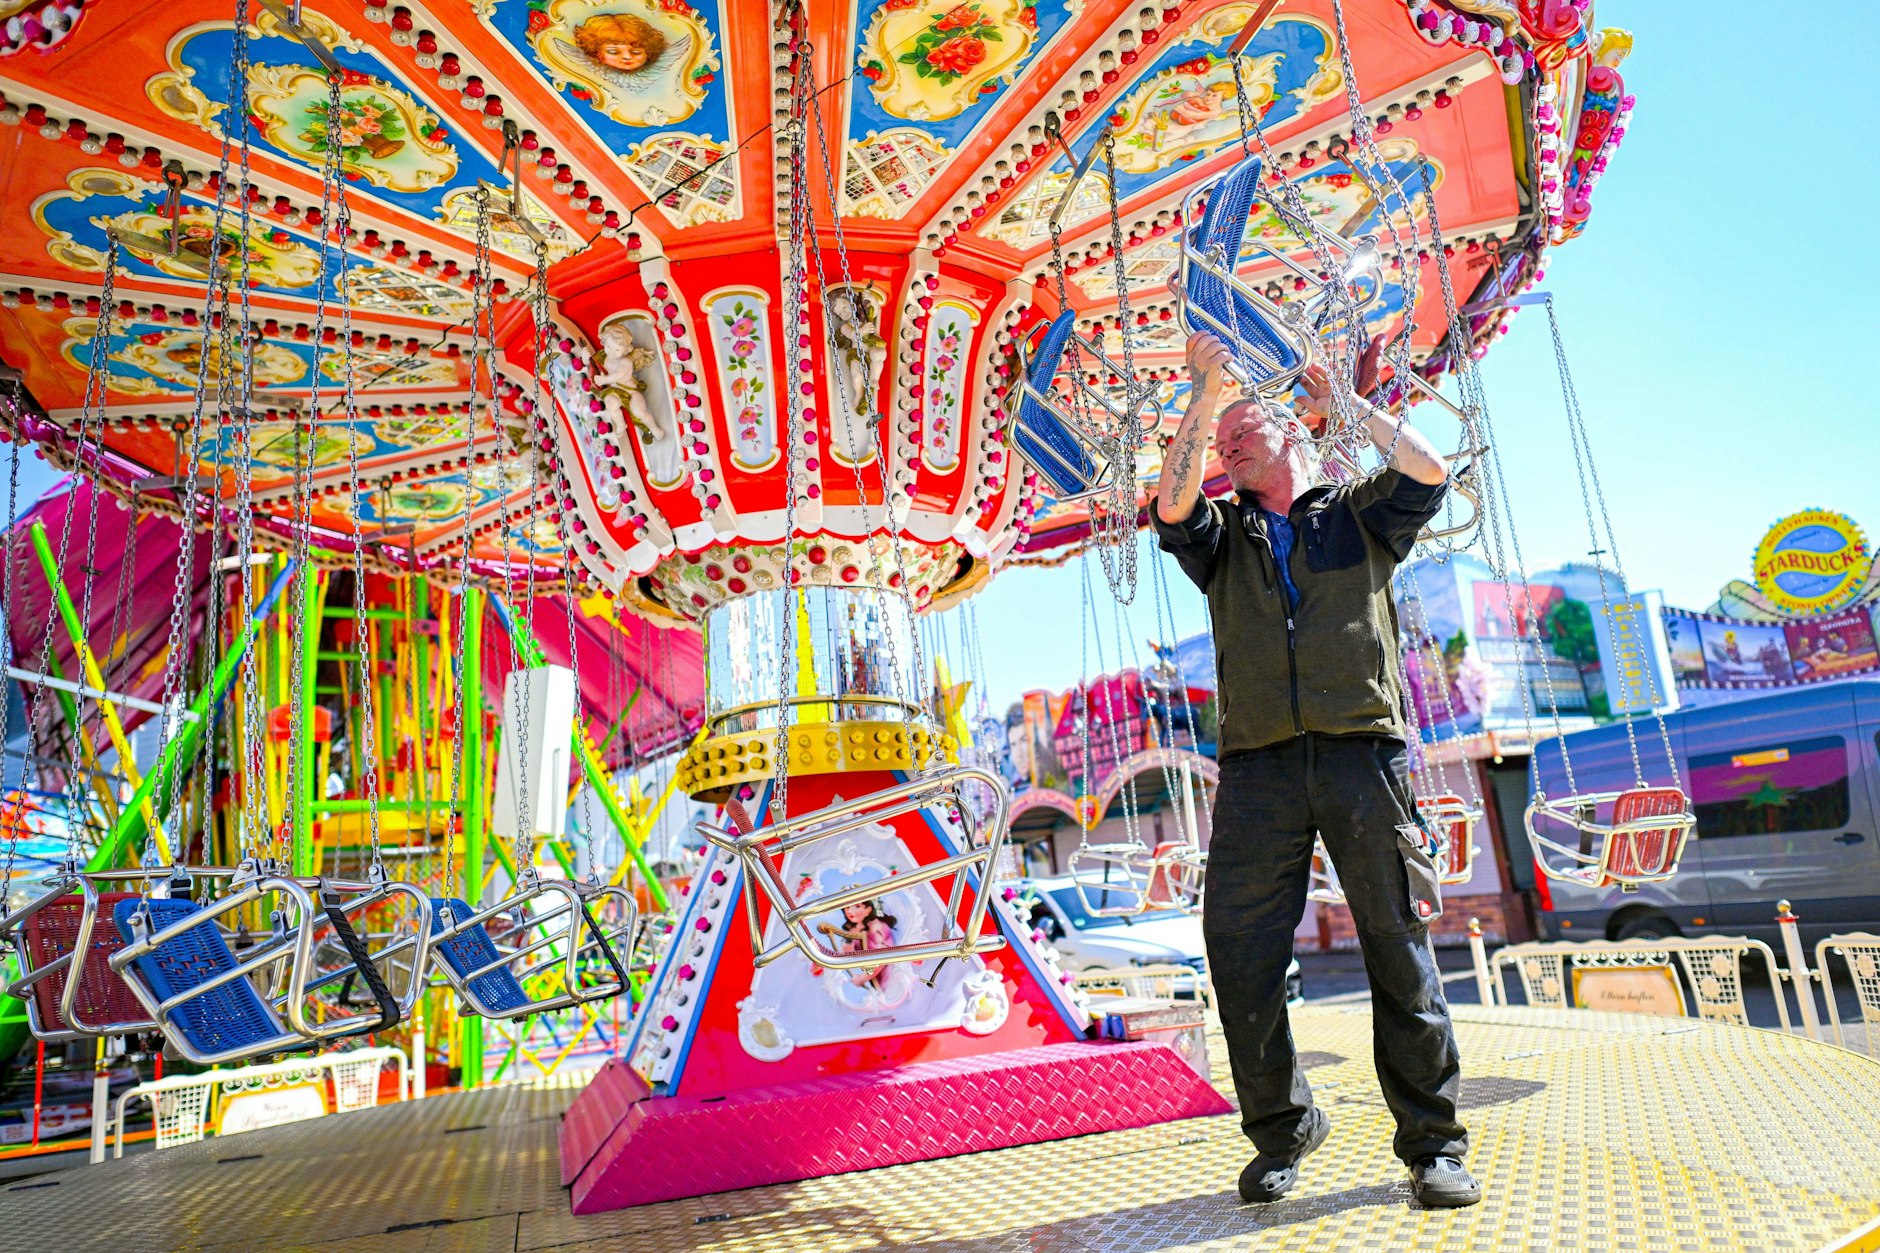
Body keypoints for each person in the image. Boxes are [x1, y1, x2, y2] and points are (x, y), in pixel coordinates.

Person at [1152, 330, 1479, 1209]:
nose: (1227, 443)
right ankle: (1284, 1125)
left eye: (1242, 428)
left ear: (1296, 430)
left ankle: (1433, 1143)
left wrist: (1348, 399)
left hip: (1361, 750)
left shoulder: (1358, 513)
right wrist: (1206, 394)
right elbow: (1171, 506)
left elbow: (1427, 466)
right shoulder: (1223, 535)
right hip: (1258, 766)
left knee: (1395, 942)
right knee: (1239, 946)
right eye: (1222, 439)